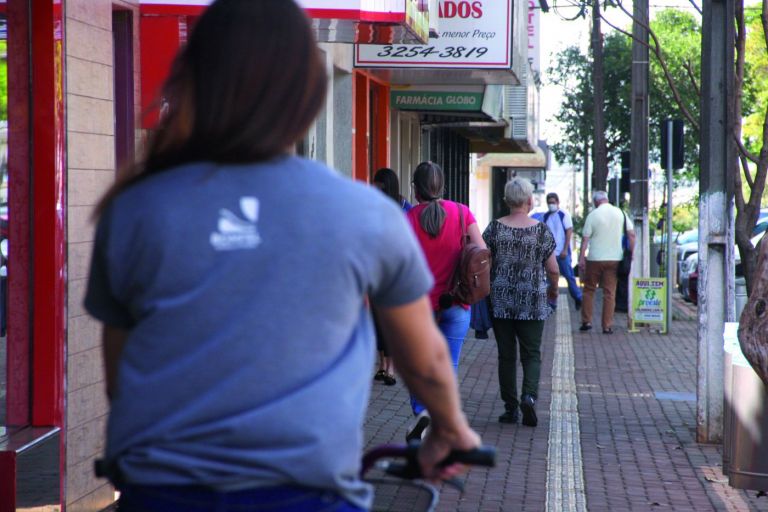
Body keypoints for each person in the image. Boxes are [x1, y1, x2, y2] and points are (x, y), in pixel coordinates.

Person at [83, 2, 480, 511]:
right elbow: (423, 360)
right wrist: (449, 430)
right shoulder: (364, 213)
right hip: (307, 494)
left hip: (162, 492)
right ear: (306, 93)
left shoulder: (135, 207)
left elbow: (121, 376)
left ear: (194, 78)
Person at [404, 161, 486, 441]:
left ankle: (422, 412)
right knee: (447, 368)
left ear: (416, 189)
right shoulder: (462, 214)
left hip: (419, 309)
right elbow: (483, 253)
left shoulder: (409, 218)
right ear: (441, 185)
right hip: (456, 304)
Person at [482, 178, 559, 427]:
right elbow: (553, 269)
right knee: (531, 354)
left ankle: (510, 408)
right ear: (529, 200)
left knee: (506, 356)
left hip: (501, 302)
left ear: (506, 201)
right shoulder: (540, 230)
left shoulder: (494, 229)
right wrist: (553, 292)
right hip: (532, 302)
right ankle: (529, 396)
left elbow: (484, 263)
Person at [371, 168, 411, 385]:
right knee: (378, 320)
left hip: (395, 272)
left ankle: (392, 368)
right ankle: (382, 366)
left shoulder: (404, 209)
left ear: (384, 186)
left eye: (377, 184)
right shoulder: (375, 207)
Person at [578, 190, 636, 334]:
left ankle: (587, 322)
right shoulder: (620, 213)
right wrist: (631, 253)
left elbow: (585, 240)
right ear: (607, 199)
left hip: (595, 259)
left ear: (596, 201)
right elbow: (631, 234)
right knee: (610, 292)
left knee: (589, 290)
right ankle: (607, 325)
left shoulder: (593, 215)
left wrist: (581, 258)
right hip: (615, 259)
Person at [543, 192, 583, 310]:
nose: (551, 205)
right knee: (551, 280)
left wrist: (565, 249)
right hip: (550, 254)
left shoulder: (563, 214)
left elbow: (569, 231)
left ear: (558, 202)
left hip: (562, 253)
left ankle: (578, 297)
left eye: (553, 202)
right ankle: (552, 302)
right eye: (549, 202)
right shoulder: (546, 217)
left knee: (569, 276)